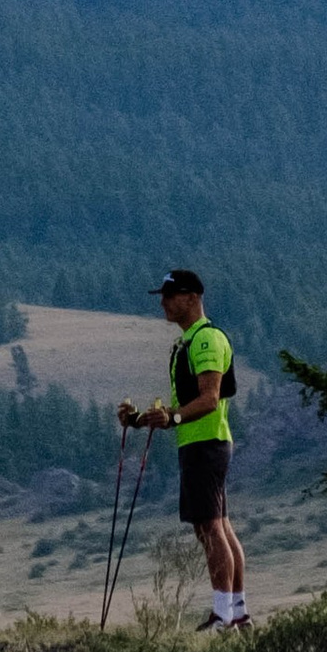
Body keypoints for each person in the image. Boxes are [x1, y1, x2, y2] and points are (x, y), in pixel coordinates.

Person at [119, 269, 249, 632]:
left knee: (210, 527)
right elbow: (179, 408)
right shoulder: (187, 342)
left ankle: (223, 615)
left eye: (170, 295)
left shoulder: (205, 340)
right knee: (219, 525)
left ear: (192, 298)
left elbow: (208, 399)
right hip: (202, 442)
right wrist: (138, 421)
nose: (163, 302)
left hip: (206, 442)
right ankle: (237, 612)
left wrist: (173, 419)